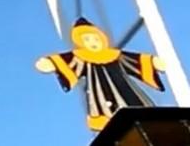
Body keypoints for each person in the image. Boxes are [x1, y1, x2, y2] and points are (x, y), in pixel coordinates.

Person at [35, 18, 165, 131]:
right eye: (87, 39)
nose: (93, 42)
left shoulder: (115, 56)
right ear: (81, 42)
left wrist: (153, 62)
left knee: (135, 103)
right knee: (107, 110)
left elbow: (135, 61)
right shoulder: (81, 57)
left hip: (127, 89)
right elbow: (67, 62)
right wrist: (52, 63)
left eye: (95, 38)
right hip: (101, 94)